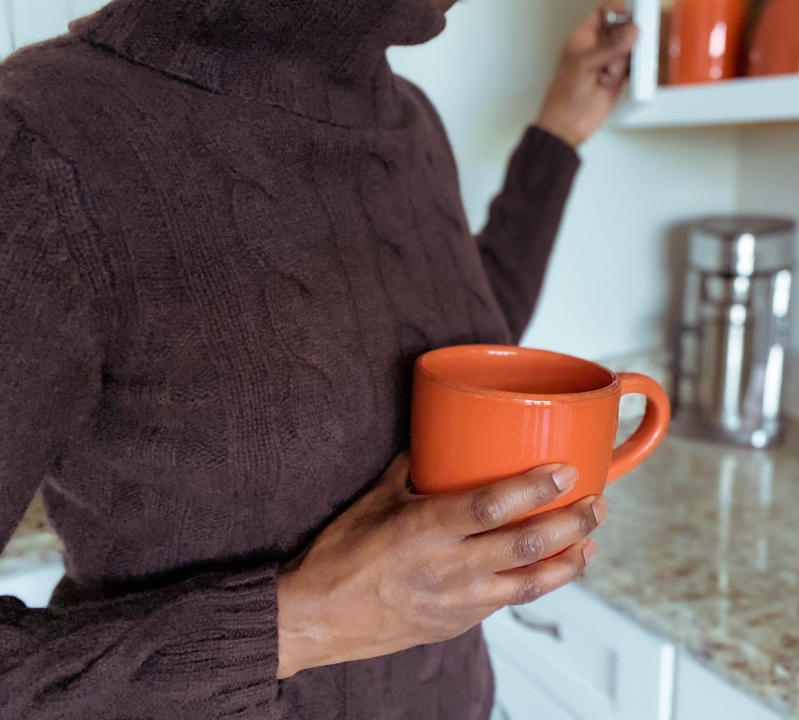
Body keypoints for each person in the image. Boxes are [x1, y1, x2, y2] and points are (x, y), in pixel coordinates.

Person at [0, 0, 637, 717]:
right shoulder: (37, 141)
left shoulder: (412, 119)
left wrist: (560, 134)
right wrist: (305, 619)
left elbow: (442, 356)